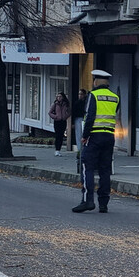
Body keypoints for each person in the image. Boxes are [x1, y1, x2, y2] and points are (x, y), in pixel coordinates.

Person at [73, 70, 120, 214]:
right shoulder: (115, 97)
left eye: (94, 80)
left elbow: (89, 116)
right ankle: (103, 204)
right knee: (105, 170)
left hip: (94, 137)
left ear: (96, 82)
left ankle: (88, 200)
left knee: (87, 167)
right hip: (109, 137)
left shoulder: (93, 96)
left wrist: (84, 136)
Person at [48, 92, 71, 156]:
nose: (59, 98)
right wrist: (55, 117)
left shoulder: (65, 104)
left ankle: (59, 149)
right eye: (58, 96)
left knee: (61, 135)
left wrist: (65, 116)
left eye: (60, 96)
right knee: (57, 135)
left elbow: (69, 111)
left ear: (63, 97)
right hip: (57, 121)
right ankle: (57, 150)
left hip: (63, 121)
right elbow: (50, 112)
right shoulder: (55, 104)